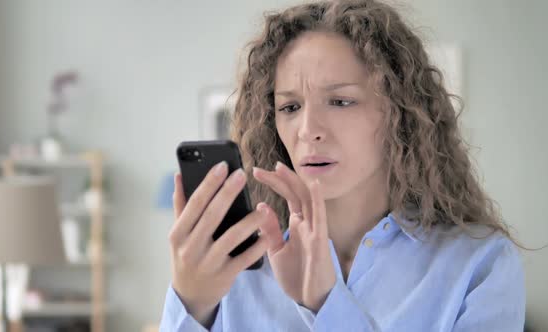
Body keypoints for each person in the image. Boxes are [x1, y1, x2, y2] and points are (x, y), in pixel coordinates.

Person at [160, 0, 525, 331]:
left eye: (340, 101)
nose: (308, 131)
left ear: (399, 114)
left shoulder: (480, 264)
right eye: (289, 107)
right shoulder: (238, 270)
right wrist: (189, 302)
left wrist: (325, 303)